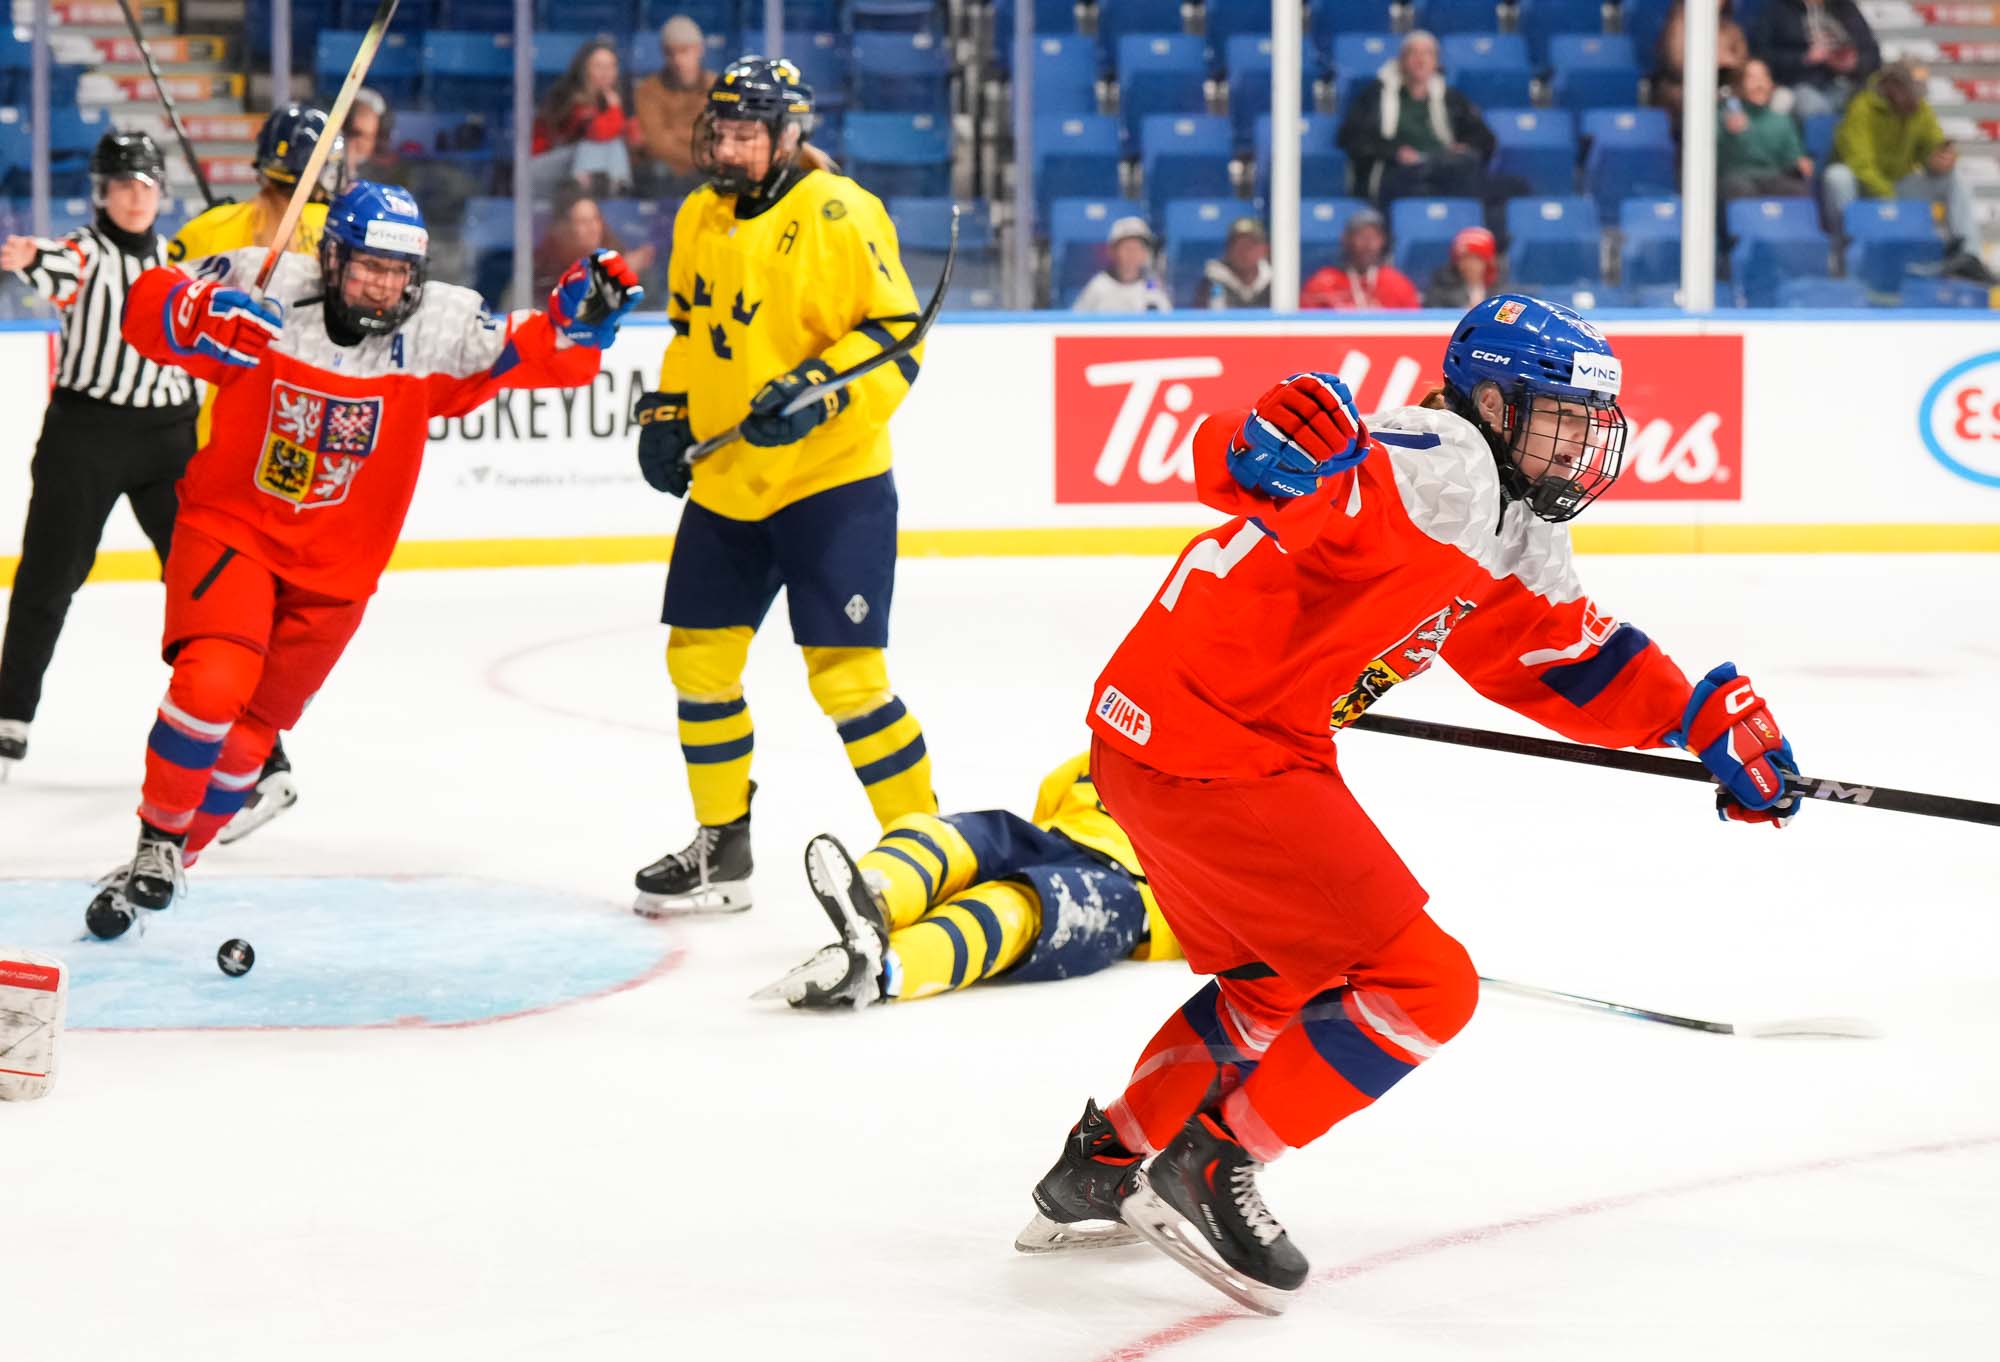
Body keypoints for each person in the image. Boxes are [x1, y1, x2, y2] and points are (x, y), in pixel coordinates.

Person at [1020, 297, 1804, 1314]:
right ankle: (1212, 1165)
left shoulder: (1501, 514)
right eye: (1559, 420)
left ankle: (1103, 1161)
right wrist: (1262, 445)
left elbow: (1559, 654)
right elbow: (1293, 471)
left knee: (1273, 980)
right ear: (1493, 402)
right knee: (1424, 984)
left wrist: (1694, 720)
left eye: (1588, 426)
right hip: (1221, 749)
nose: (1578, 448)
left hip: (1166, 736)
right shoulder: (1438, 465)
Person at [80, 182, 641, 938]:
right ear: (333, 257)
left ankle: (168, 862)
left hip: (338, 575)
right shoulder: (265, 279)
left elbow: (535, 352)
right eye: (370, 266)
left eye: (398, 271)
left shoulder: (438, 325)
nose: (384, 286)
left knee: (248, 745)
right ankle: (157, 837)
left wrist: (578, 323)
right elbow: (147, 303)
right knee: (212, 685)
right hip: (236, 531)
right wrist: (197, 314)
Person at [628, 57, 935, 916]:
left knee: (848, 679)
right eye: (720, 131)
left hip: (831, 481)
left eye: (745, 135)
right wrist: (669, 411)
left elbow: (897, 339)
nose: (726, 148)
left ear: (789, 135)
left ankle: (929, 850)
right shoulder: (699, 213)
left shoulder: (840, 211)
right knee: (698, 661)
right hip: (730, 482)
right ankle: (722, 849)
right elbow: (690, 329)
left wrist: (820, 394)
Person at [167, 103, 346, 841]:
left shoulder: (246, 228)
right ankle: (254, 761)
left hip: (265, 454)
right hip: (273, 453)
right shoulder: (307, 231)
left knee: (241, 628)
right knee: (253, 628)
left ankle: (255, 765)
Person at [0, 132, 195, 775]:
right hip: (86, 435)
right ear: (101, 193)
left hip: (168, 439)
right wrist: (30, 256)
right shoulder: (85, 252)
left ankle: (226, 725)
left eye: (145, 185)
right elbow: (55, 264)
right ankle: (9, 717)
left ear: (161, 192)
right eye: (121, 185)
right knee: (49, 577)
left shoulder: (180, 261)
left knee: (200, 582)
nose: (135, 197)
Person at [755, 752, 1182, 1016]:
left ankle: (886, 969)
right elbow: (1051, 795)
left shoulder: (1219, 792)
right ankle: (876, 896)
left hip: (1131, 890)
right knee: (948, 836)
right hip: (1052, 839)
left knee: (1017, 907)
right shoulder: (1114, 749)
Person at [1823, 61, 1988, 279]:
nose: (1917, 98)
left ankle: (1968, 255)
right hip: (1864, 189)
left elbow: (1934, 144)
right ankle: (1850, 250)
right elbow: (1860, 164)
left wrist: (1939, 161)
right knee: (1837, 176)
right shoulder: (1862, 108)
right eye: (1912, 92)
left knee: (1954, 178)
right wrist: (1890, 200)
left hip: (1899, 185)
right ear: (1893, 88)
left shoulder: (1919, 109)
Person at [1337, 30, 1496, 205]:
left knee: (1500, 182)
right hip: (1397, 171)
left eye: (1428, 53)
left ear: (1436, 63)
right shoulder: (1376, 95)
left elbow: (1485, 138)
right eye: (1413, 53)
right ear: (1401, 61)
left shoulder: (1451, 98)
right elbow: (1351, 136)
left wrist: (1464, 146)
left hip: (1443, 167)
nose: (1420, 60)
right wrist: (1395, 151)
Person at [532, 38, 640, 196]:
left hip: (597, 164)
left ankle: (616, 188)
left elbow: (632, 139)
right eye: (599, 66)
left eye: (611, 66)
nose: (606, 73)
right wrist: (614, 109)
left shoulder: (622, 96)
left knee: (614, 146)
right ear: (584, 69)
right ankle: (588, 192)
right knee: (591, 145)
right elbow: (598, 134)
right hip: (545, 166)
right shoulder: (567, 96)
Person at [1752, 0, 1880, 118]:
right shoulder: (1778, 10)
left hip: (1847, 82)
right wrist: (1805, 58)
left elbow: (1872, 52)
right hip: (1799, 83)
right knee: (1815, 110)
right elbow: (1763, 56)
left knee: (1868, 104)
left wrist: (1855, 63)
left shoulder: (1844, 7)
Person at [634, 15, 716, 195]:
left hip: (707, 170)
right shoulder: (649, 89)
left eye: (684, 51)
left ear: (700, 50)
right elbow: (656, 142)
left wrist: (676, 133)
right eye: (671, 53)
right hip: (668, 173)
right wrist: (698, 148)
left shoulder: (716, 87)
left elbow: (717, 136)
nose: (678, 60)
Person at [532, 188, 657, 299]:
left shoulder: (611, 249)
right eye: (583, 222)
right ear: (566, 229)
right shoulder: (548, 264)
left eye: (595, 219)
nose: (592, 228)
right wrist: (623, 272)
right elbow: (576, 306)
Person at [1718, 60, 1814, 199]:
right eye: (1752, 78)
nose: (1759, 84)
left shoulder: (1782, 121)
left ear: (1771, 84)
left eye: (1763, 77)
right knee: (1739, 187)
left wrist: (1800, 164)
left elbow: (1792, 158)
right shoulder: (1724, 116)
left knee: (1799, 190)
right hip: (1736, 178)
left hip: (1772, 178)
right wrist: (1729, 134)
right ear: (1739, 85)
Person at [1299, 207, 1420, 309]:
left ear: (1383, 241)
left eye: (1374, 236)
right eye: (1361, 235)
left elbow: (1415, 324)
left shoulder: (1397, 283)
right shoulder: (1323, 283)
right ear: (1346, 239)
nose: (1368, 243)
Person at [1653, 0, 1750, 124]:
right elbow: (1675, 61)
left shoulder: (1731, 28)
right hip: (1684, 90)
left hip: (1724, 87)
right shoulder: (1679, 24)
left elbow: (1741, 61)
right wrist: (1711, 63)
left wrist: (1728, 63)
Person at [1072, 216, 1171, 313]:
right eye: (1127, 248)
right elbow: (1076, 319)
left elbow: (1167, 318)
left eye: (1138, 248)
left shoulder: (1151, 287)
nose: (1132, 254)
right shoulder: (1098, 285)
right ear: (1113, 251)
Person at [1422, 224, 1501, 307]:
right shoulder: (1441, 292)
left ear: (1488, 261)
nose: (1469, 264)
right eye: (1464, 258)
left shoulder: (1502, 293)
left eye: (1476, 258)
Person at [1202, 217, 1271, 309]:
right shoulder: (1212, 282)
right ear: (1227, 249)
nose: (1243, 252)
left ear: (1264, 249)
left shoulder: (1278, 281)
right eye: (1237, 245)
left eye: (1249, 246)